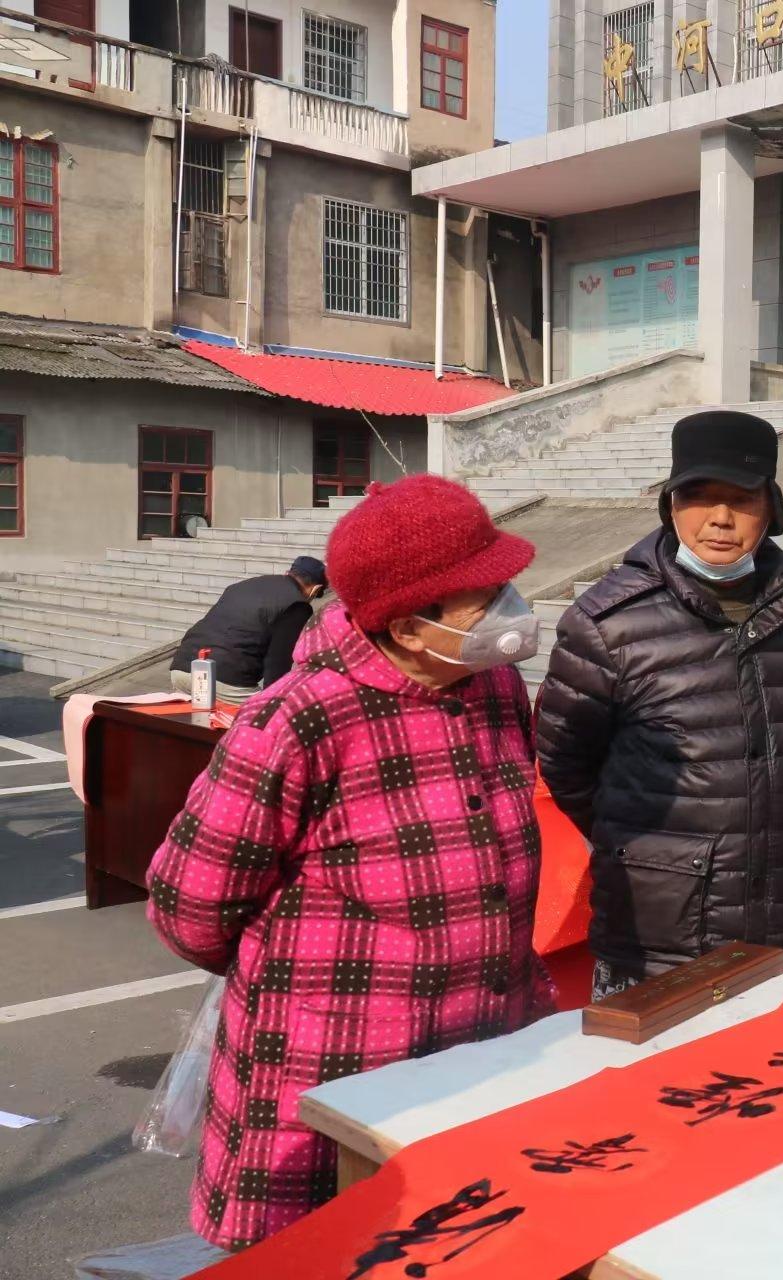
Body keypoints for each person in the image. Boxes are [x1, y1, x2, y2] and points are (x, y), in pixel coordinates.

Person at [146, 475, 552, 1250]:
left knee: (453, 1246)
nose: (512, 608)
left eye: (506, 584)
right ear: (407, 627)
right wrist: (311, 983)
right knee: (323, 1253)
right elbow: (189, 906)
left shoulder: (495, 685)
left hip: (478, 1047)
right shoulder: (296, 721)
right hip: (330, 1070)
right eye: (487, 594)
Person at [536, 410, 783, 996]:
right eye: (699, 496)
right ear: (670, 506)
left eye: (742, 499)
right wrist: (657, 854)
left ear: (771, 509)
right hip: (660, 936)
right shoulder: (607, 624)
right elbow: (566, 765)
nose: (721, 519)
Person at [168, 555, 327, 703]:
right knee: (259, 719)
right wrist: (272, 704)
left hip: (183, 666)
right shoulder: (297, 605)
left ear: (288, 572)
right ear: (315, 589)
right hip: (226, 678)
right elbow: (278, 663)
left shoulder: (243, 585)